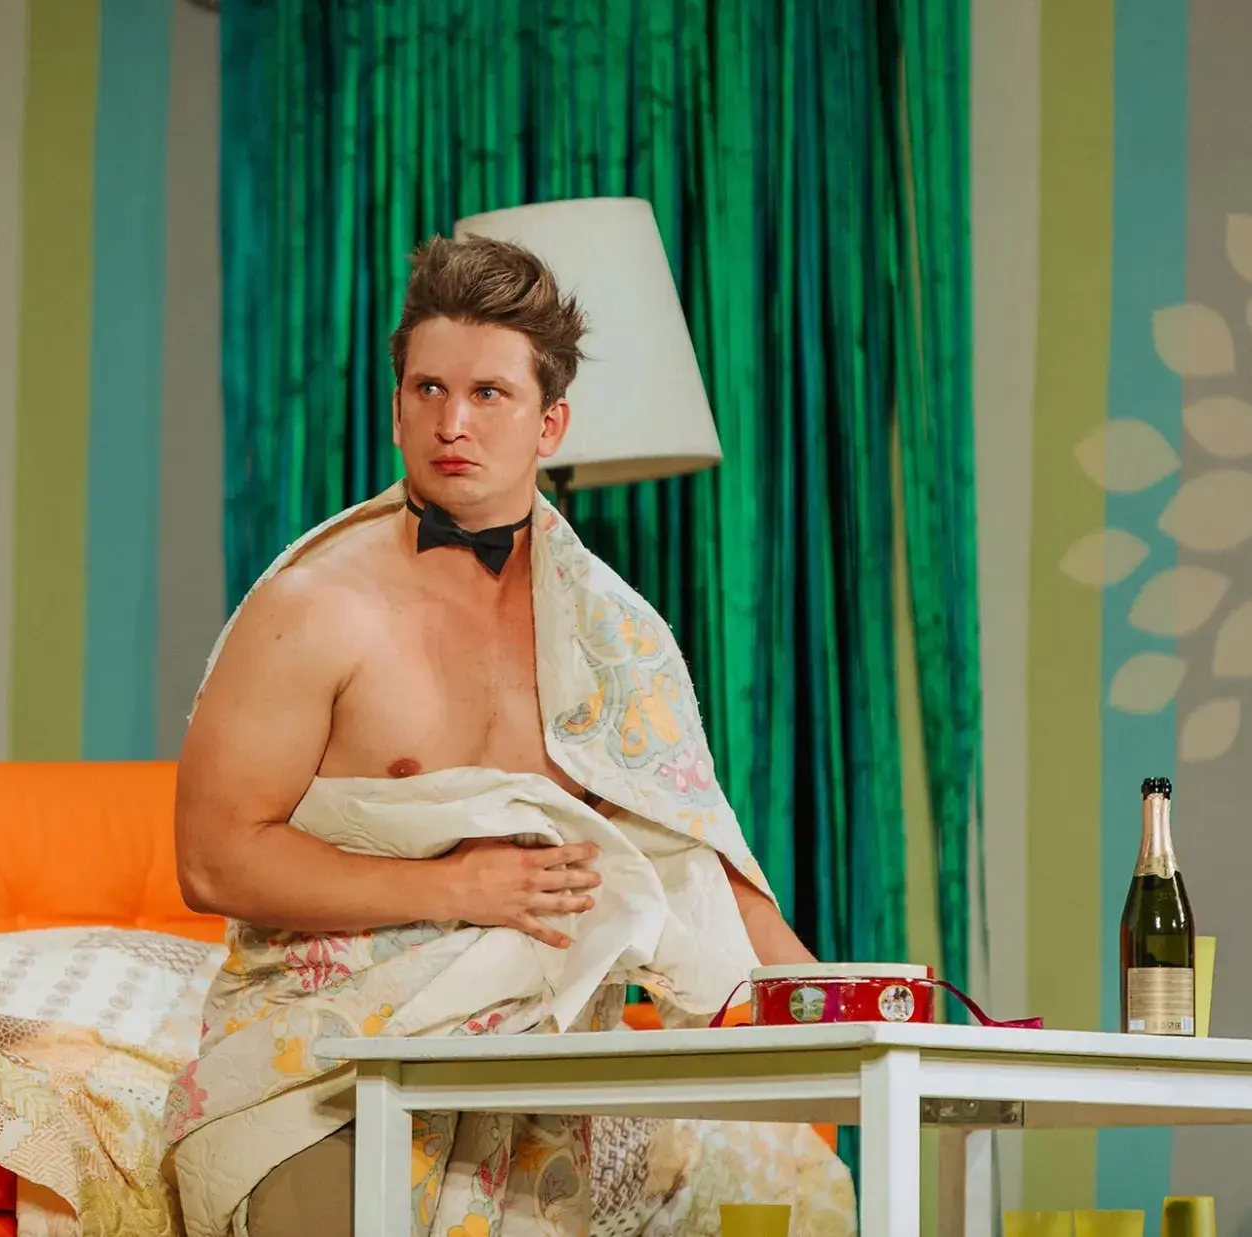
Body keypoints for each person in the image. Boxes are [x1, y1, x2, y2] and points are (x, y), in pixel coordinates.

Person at [166, 236, 854, 1237]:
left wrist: (850, 1009)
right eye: (428, 390)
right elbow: (213, 860)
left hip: (550, 1055)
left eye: (488, 394)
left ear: (550, 423)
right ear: (397, 407)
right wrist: (455, 887)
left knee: (801, 1186)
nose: (452, 423)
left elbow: (694, 862)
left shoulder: (616, 632)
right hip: (329, 1060)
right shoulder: (312, 608)